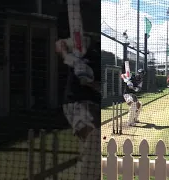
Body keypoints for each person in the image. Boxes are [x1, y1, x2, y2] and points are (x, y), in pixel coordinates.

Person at [55, 38, 101, 180]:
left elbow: (96, 85)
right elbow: (58, 44)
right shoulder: (85, 41)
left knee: (94, 149)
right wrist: (69, 57)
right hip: (76, 103)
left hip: (95, 105)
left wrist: (90, 80)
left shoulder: (101, 54)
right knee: (93, 139)